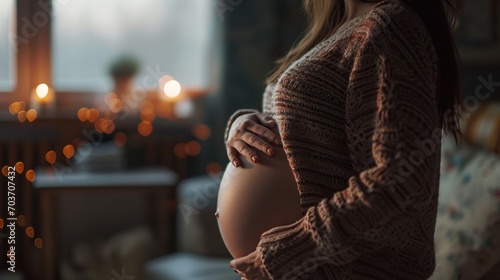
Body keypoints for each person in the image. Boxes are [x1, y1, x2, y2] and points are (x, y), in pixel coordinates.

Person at [225, 0, 463, 279]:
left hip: (352, 269)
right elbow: (302, 129)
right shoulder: (333, 27)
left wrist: (291, 251)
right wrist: (241, 125)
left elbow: (401, 182)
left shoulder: (391, 24)